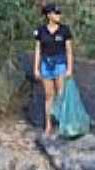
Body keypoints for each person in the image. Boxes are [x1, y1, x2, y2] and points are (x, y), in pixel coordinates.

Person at [33, 3, 74, 137]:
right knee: (49, 96)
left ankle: (62, 125)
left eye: (59, 13)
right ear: (49, 15)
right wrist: (36, 68)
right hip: (46, 65)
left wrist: (69, 68)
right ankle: (48, 125)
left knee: (61, 95)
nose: (59, 15)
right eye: (56, 13)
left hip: (60, 64)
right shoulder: (41, 31)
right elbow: (38, 50)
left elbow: (69, 51)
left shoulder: (64, 30)